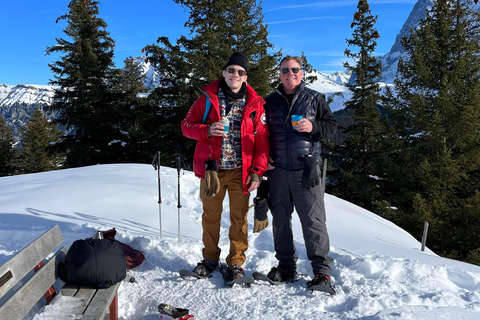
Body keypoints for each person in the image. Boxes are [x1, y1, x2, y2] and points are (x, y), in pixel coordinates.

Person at [181, 52, 269, 282]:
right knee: (211, 216)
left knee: (239, 219)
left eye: (241, 72)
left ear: (246, 77)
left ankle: (236, 263)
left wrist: (258, 172)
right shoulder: (207, 99)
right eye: (231, 70)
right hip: (212, 171)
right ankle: (210, 259)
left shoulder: (255, 105)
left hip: (242, 172)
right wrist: (206, 130)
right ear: (224, 73)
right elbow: (186, 126)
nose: (235, 75)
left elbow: (262, 141)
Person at [263, 55, 337, 293]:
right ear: (280, 73)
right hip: (279, 170)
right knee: (281, 220)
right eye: (285, 70)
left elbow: (331, 126)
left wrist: (313, 127)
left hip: (307, 169)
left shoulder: (315, 98)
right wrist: (265, 158)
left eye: (295, 69)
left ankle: (322, 273)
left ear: (301, 73)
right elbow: (261, 134)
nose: (290, 73)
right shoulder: (270, 101)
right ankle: (286, 267)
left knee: (313, 221)